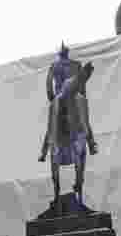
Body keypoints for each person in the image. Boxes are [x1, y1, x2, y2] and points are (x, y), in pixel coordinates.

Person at [39, 43, 98, 205]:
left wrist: (52, 98)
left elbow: (48, 86)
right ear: (68, 52)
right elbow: (82, 85)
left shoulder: (54, 66)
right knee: (84, 116)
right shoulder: (76, 65)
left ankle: (44, 151)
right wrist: (81, 94)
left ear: (59, 53)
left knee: (52, 123)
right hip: (74, 95)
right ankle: (92, 144)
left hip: (60, 96)